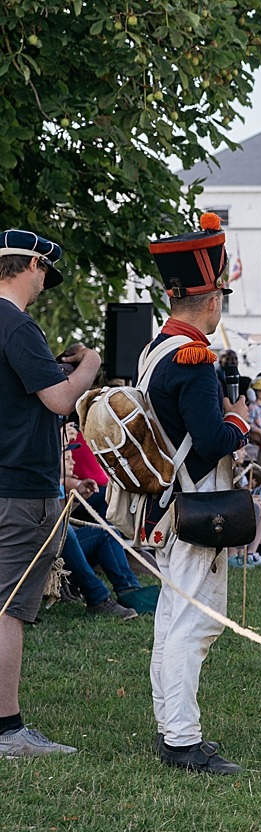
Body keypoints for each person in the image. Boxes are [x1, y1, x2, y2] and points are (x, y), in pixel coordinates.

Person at [142, 213, 252, 774]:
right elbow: (210, 442)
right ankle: (181, 740)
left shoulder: (156, 349)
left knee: (172, 621)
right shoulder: (194, 358)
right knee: (193, 625)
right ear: (210, 301)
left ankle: (172, 729)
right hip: (196, 503)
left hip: (170, 504)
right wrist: (240, 422)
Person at [0, 230, 101, 759]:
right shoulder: (16, 324)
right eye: (45, 273)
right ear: (32, 264)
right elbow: (60, 400)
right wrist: (88, 365)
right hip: (19, 485)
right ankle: (7, 730)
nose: (44, 285)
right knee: (8, 609)